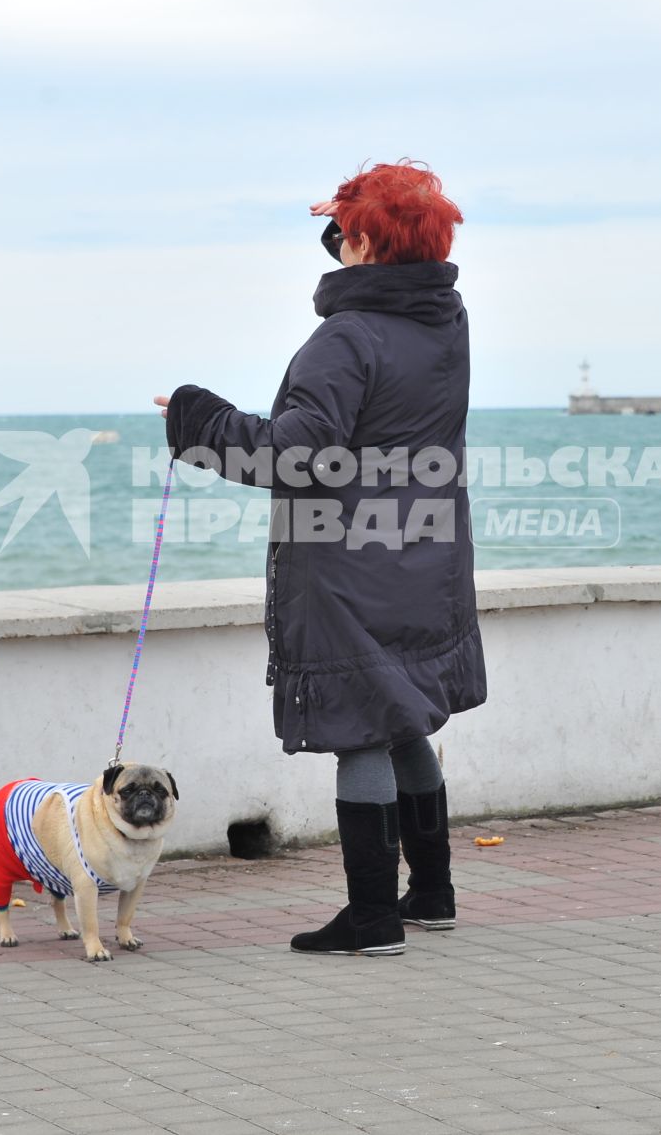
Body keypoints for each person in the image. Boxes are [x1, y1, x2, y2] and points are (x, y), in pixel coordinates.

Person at [155, 160, 486, 955]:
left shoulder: (347, 338)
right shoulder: (448, 321)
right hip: (427, 554)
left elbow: (293, 457)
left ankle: (372, 916)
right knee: (405, 717)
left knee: (364, 733)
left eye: (342, 233)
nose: (332, 246)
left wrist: (199, 420)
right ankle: (431, 891)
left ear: (366, 242)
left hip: (349, 567)